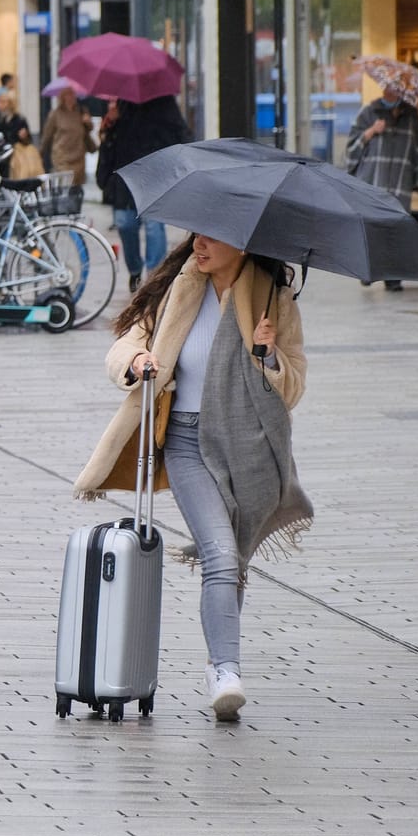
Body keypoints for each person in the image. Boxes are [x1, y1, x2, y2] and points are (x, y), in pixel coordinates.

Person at [74, 234, 308, 721]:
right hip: (184, 442)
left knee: (232, 560)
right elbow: (124, 346)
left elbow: (294, 383)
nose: (199, 244)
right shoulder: (177, 289)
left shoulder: (272, 297)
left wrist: (267, 355)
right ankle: (225, 671)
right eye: (196, 234)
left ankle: (218, 659)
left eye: (212, 237)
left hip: (246, 447)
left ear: (241, 245)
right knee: (220, 553)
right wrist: (138, 362)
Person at [96, 95, 191, 291]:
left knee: (154, 227)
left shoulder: (164, 103)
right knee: (125, 224)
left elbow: (179, 132)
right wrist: (110, 124)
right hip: (126, 177)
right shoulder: (123, 103)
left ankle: (154, 279)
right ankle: (135, 270)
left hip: (155, 174)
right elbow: (112, 143)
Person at [344, 81, 418, 292]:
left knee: (396, 231)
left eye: (394, 88)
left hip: (399, 185)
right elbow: (351, 148)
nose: (388, 91)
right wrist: (370, 132)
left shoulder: (411, 117)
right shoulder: (369, 112)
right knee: (373, 230)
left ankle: (393, 278)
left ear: (401, 91)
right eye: (386, 87)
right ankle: (368, 271)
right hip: (373, 182)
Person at [38, 88, 97, 187]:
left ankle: (76, 202)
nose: (71, 97)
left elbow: (89, 129)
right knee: (66, 185)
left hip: (78, 156)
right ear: (62, 97)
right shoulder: (55, 114)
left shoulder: (81, 111)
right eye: (68, 94)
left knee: (77, 187)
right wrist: (40, 153)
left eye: (73, 94)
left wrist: (88, 122)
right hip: (62, 157)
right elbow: (47, 135)